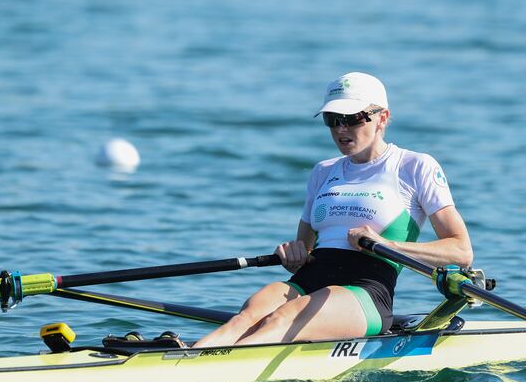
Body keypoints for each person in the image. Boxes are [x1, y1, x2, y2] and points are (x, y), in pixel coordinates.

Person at [193, 72, 473, 348]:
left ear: (382, 118)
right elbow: (304, 247)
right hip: (309, 279)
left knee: (282, 317)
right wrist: (294, 253)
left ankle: (213, 367)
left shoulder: (414, 166)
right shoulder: (323, 171)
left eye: (352, 119)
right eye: (332, 120)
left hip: (365, 291)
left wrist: (385, 244)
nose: (341, 129)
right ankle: (186, 358)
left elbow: (460, 252)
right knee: (245, 317)